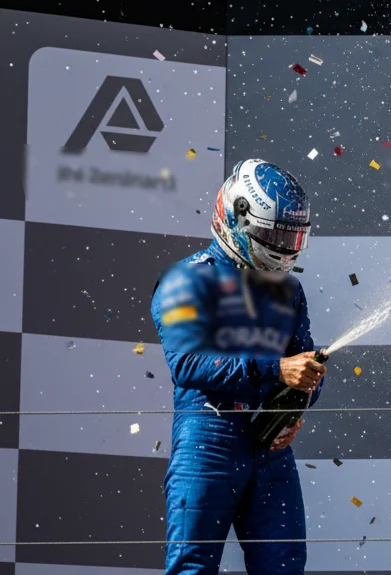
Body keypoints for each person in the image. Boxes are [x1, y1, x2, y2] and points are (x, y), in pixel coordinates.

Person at [152, 158, 326, 574]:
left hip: (269, 446)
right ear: (237, 218)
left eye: (291, 236)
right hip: (207, 439)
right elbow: (188, 364)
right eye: (273, 234)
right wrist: (276, 371)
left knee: (284, 566)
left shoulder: (290, 289)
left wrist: (295, 403)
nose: (283, 247)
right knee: (191, 568)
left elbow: (303, 367)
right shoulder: (184, 280)